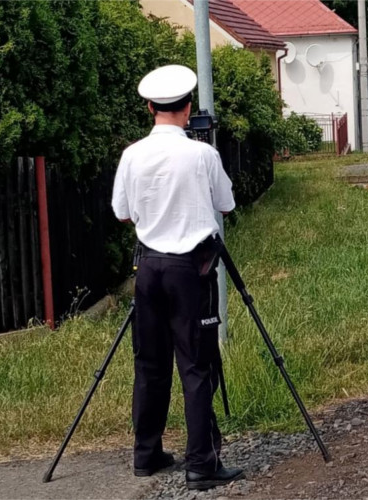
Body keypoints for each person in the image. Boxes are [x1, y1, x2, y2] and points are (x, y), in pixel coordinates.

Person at [111, 65, 242, 491]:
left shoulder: (132, 155)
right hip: (191, 270)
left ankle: (146, 454)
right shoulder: (202, 155)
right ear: (188, 109)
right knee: (195, 366)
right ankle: (201, 463)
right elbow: (226, 203)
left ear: (150, 108)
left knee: (149, 364)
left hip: (148, 269)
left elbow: (122, 212)